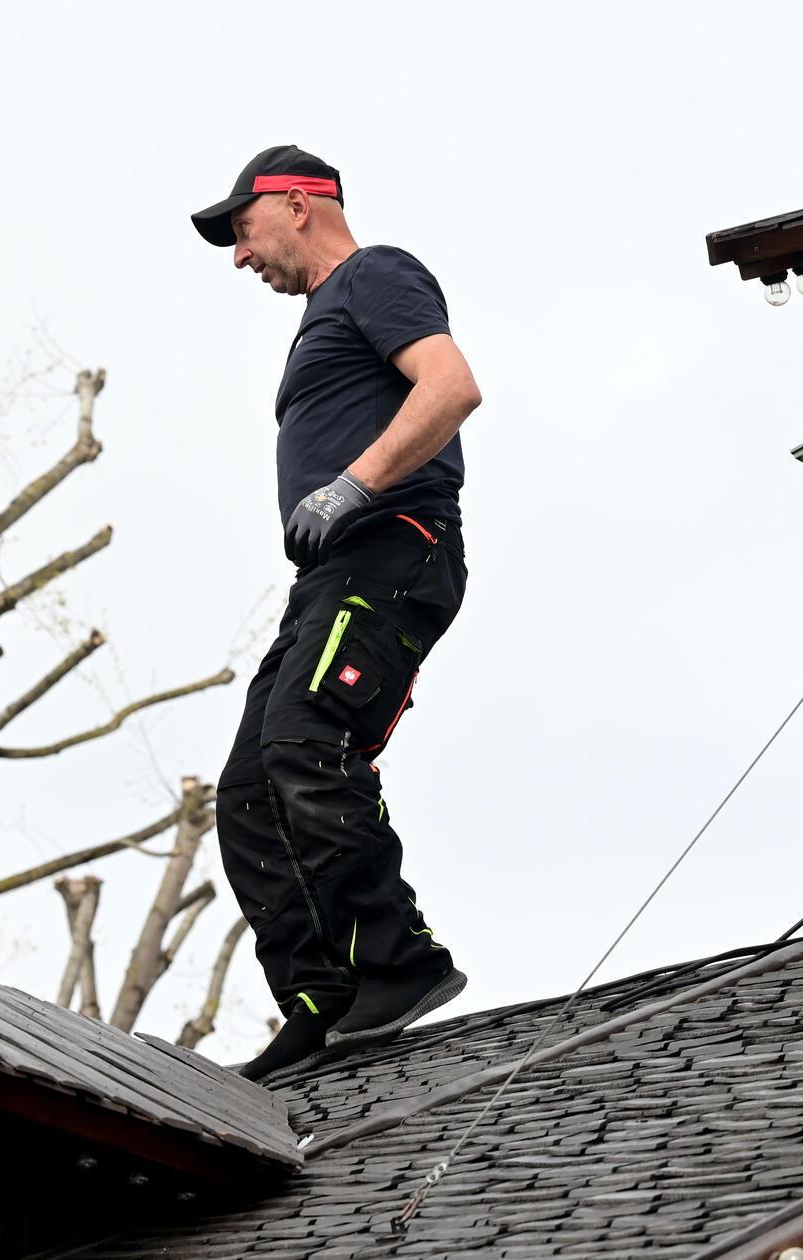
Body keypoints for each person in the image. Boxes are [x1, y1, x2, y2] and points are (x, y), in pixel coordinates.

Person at [191, 145, 483, 1080]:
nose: (241, 256)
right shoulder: (322, 316)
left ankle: (400, 962)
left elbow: (451, 386)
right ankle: (321, 996)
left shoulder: (375, 275)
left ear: (298, 204)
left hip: (395, 544)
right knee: (248, 789)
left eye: (243, 230)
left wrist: (353, 485)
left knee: (307, 738)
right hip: (327, 577)